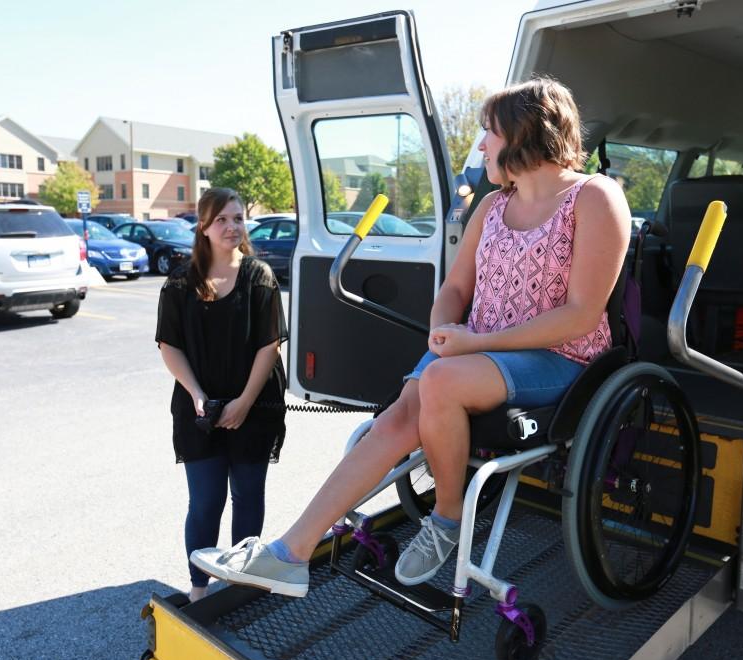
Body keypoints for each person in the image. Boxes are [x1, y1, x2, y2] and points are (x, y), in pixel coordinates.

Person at [189, 77, 630, 597]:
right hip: (476, 354)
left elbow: (580, 317)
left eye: (490, 132)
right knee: (400, 413)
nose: (482, 145)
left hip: (559, 358)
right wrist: (447, 328)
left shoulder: (595, 198)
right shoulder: (491, 208)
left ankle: (446, 516)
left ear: (526, 134)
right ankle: (290, 554)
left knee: (439, 382)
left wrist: (468, 344)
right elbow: (456, 288)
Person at [155, 187, 288, 603]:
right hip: (200, 408)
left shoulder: (259, 276)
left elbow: (271, 345)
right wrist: (196, 393)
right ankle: (199, 589)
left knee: (248, 498)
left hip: (255, 404)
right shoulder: (180, 281)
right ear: (204, 227)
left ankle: (239, 583)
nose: (232, 227)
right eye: (222, 220)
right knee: (205, 502)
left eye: (237, 218)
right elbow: (169, 345)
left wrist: (245, 402)